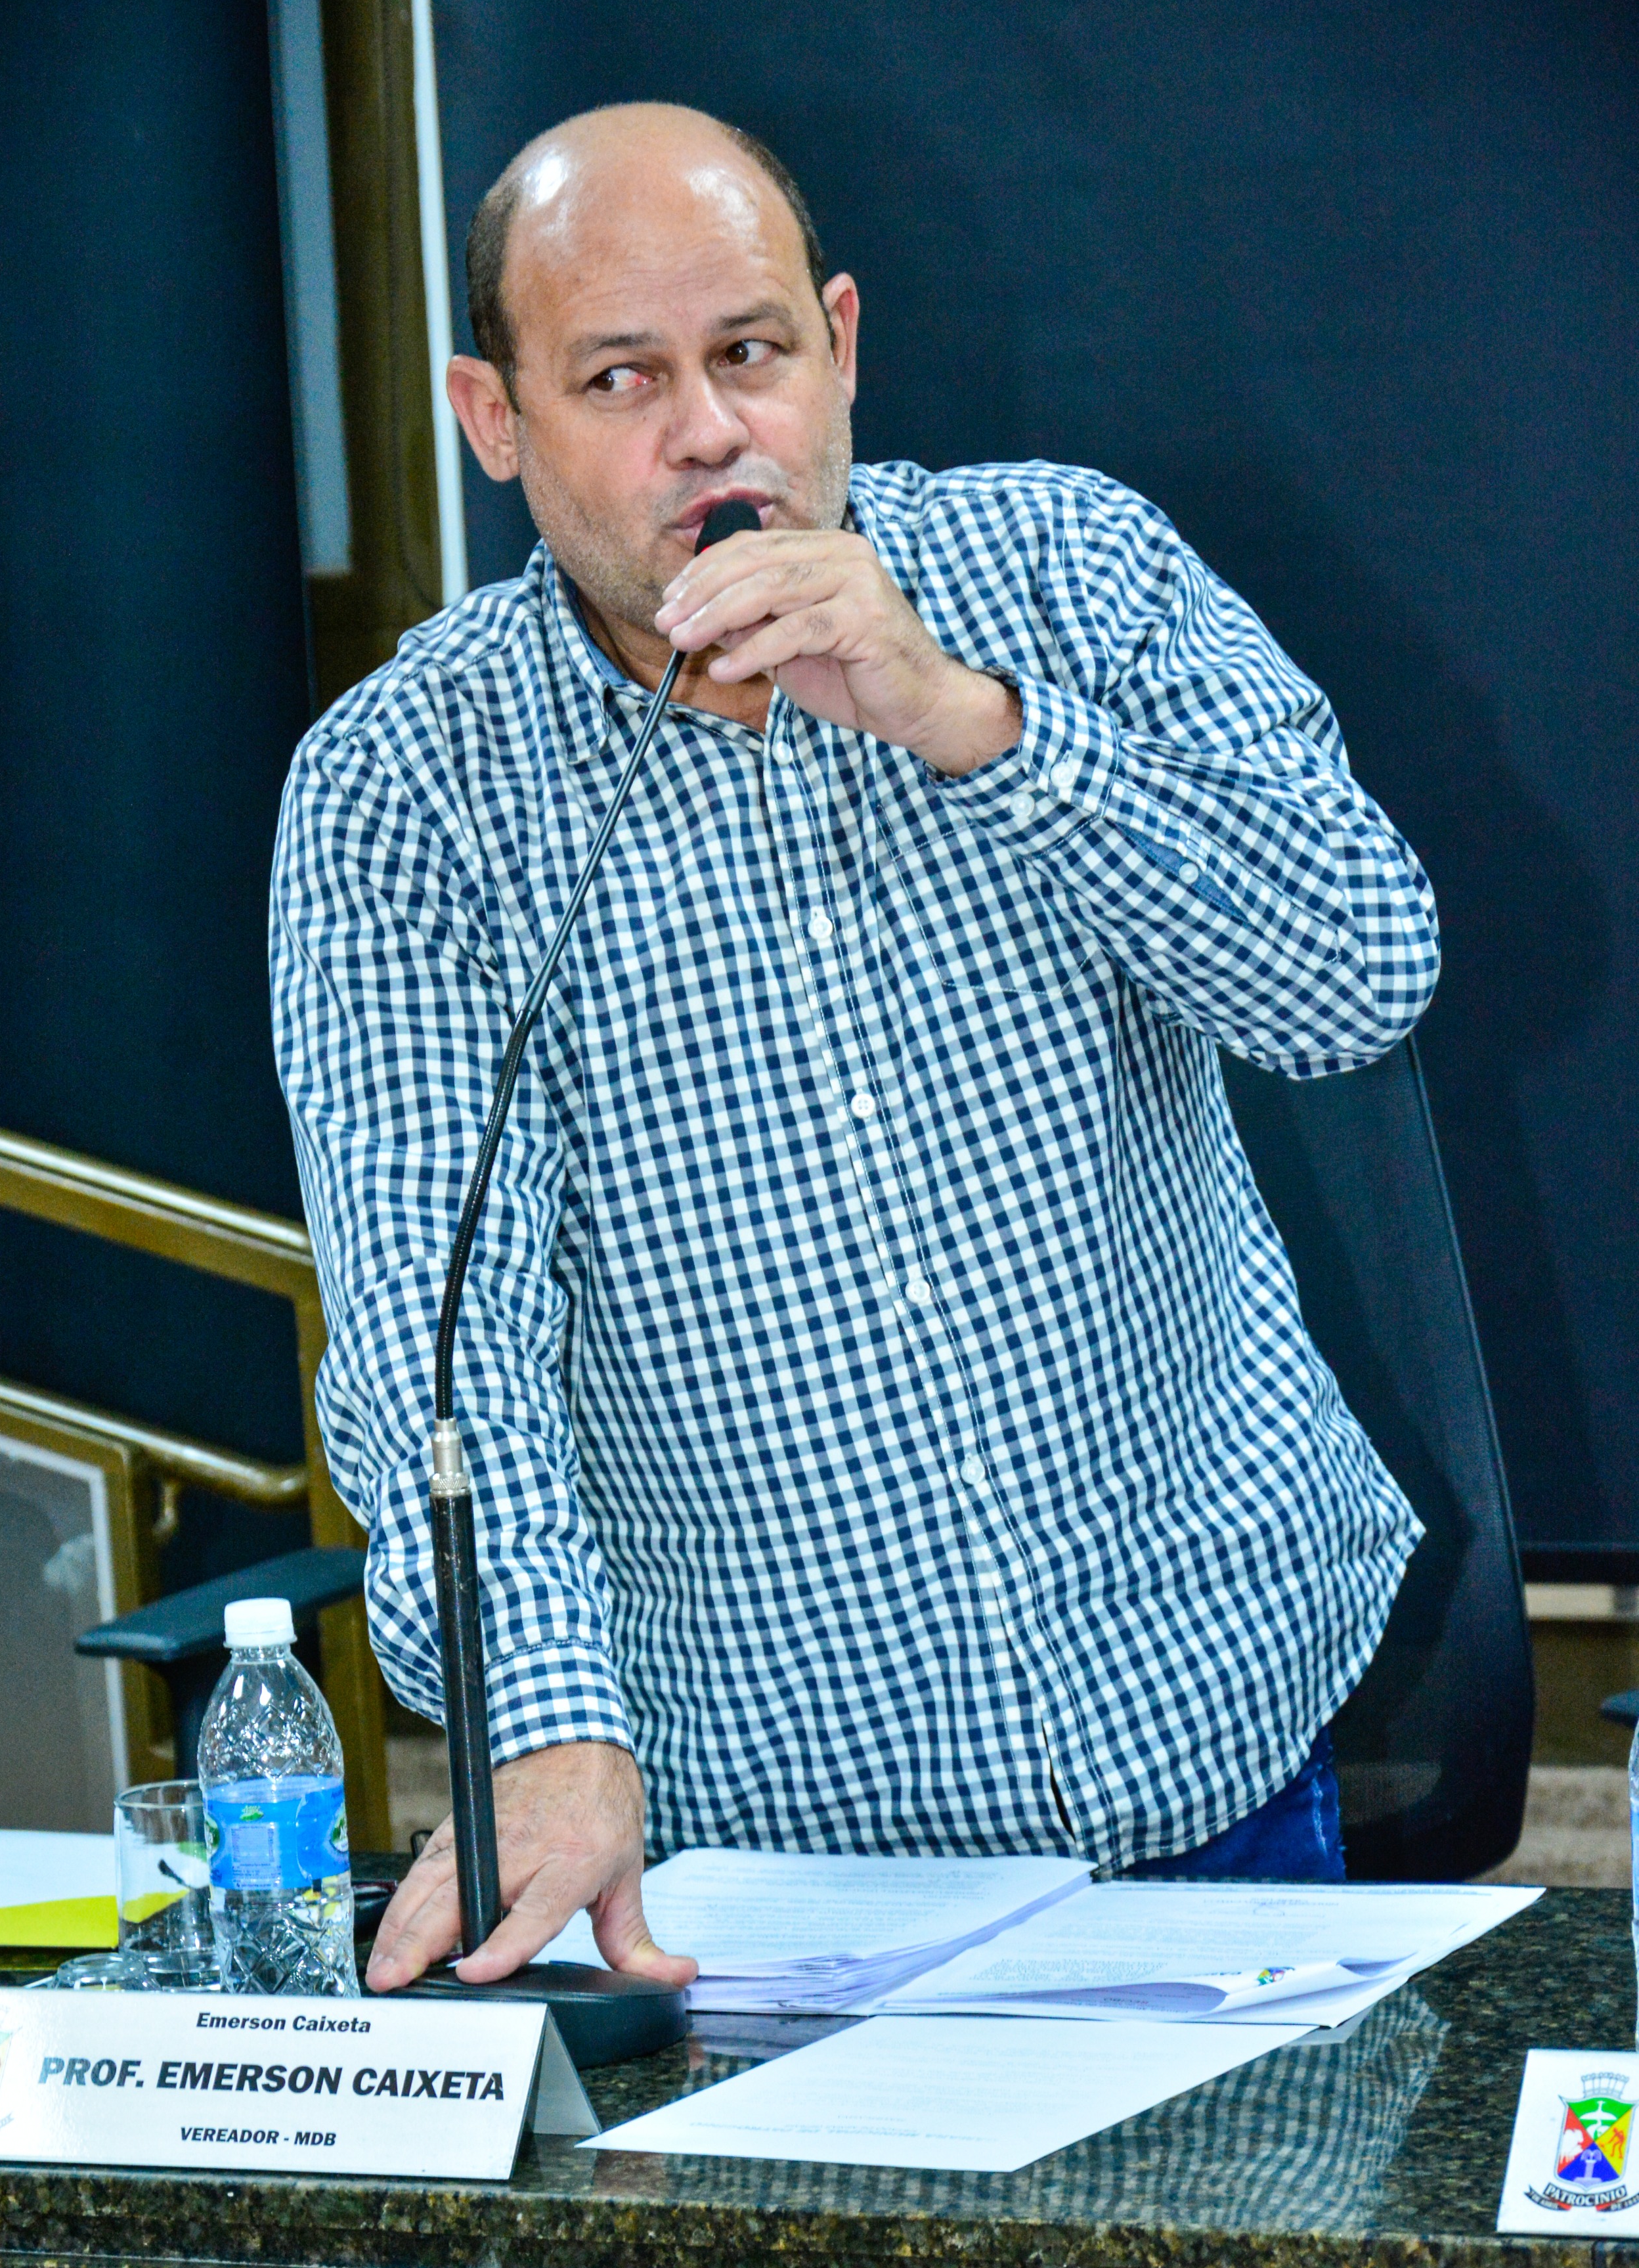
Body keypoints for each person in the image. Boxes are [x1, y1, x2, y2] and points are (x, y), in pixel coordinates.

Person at [269, 103, 1437, 1995]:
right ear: (497, 422)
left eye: (749, 352)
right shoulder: (409, 785)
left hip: (1207, 1750)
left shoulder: (1071, 572)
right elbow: (434, 1325)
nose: (708, 432)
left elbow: (1359, 975)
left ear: (840, 346)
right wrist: (545, 1717)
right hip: (766, 1862)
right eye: (620, 379)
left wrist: (972, 723)